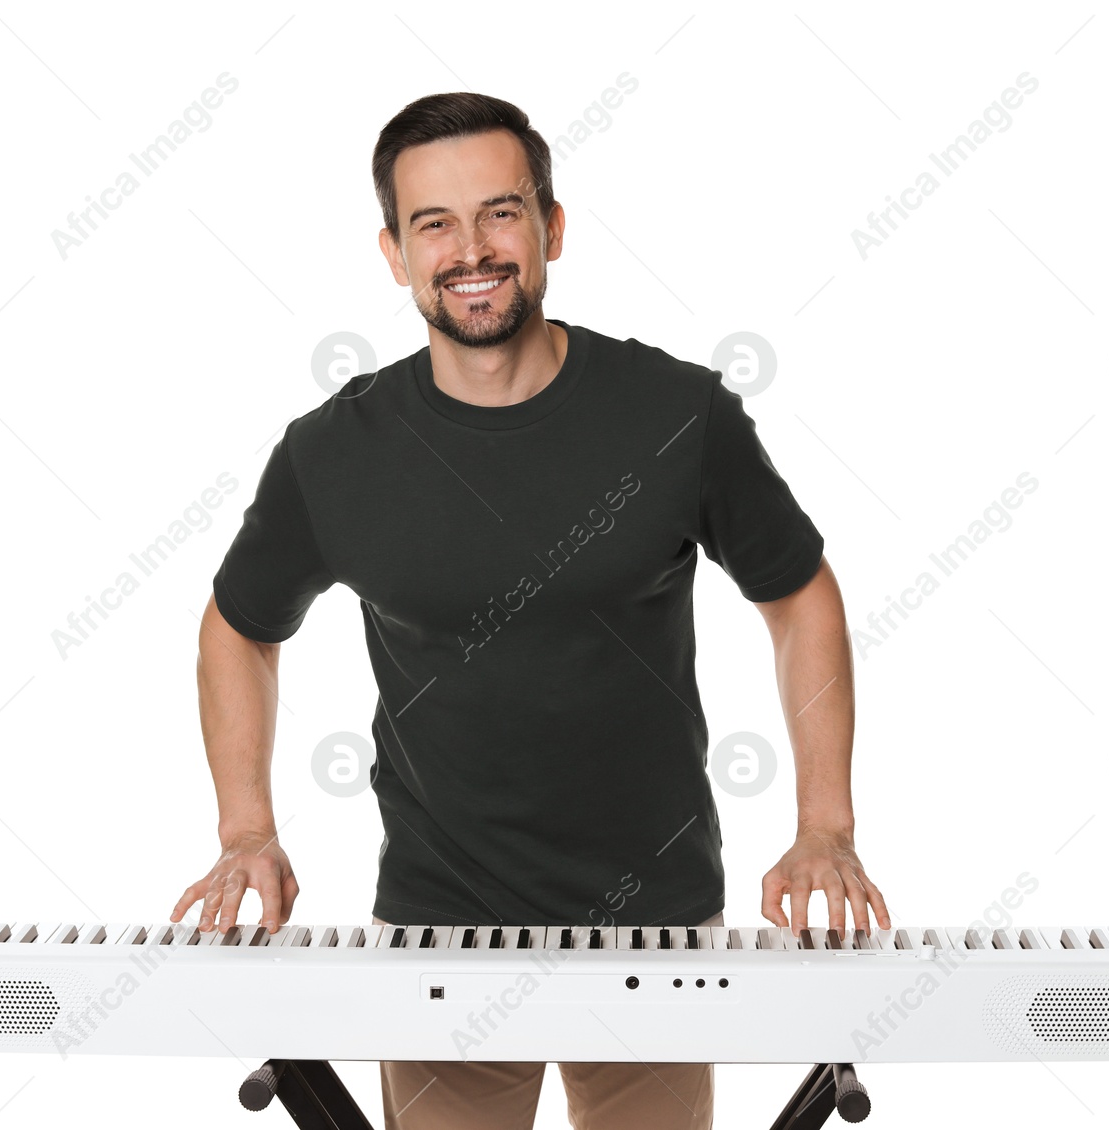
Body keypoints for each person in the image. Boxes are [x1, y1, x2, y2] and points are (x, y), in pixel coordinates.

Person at [171, 91, 889, 1130]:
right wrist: (246, 831)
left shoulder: (677, 415)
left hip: (658, 923)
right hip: (438, 927)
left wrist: (825, 824)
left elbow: (799, 593)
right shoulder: (333, 453)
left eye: (500, 212)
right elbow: (238, 629)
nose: (472, 248)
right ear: (393, 251)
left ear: (551, 227)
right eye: (435, 224)